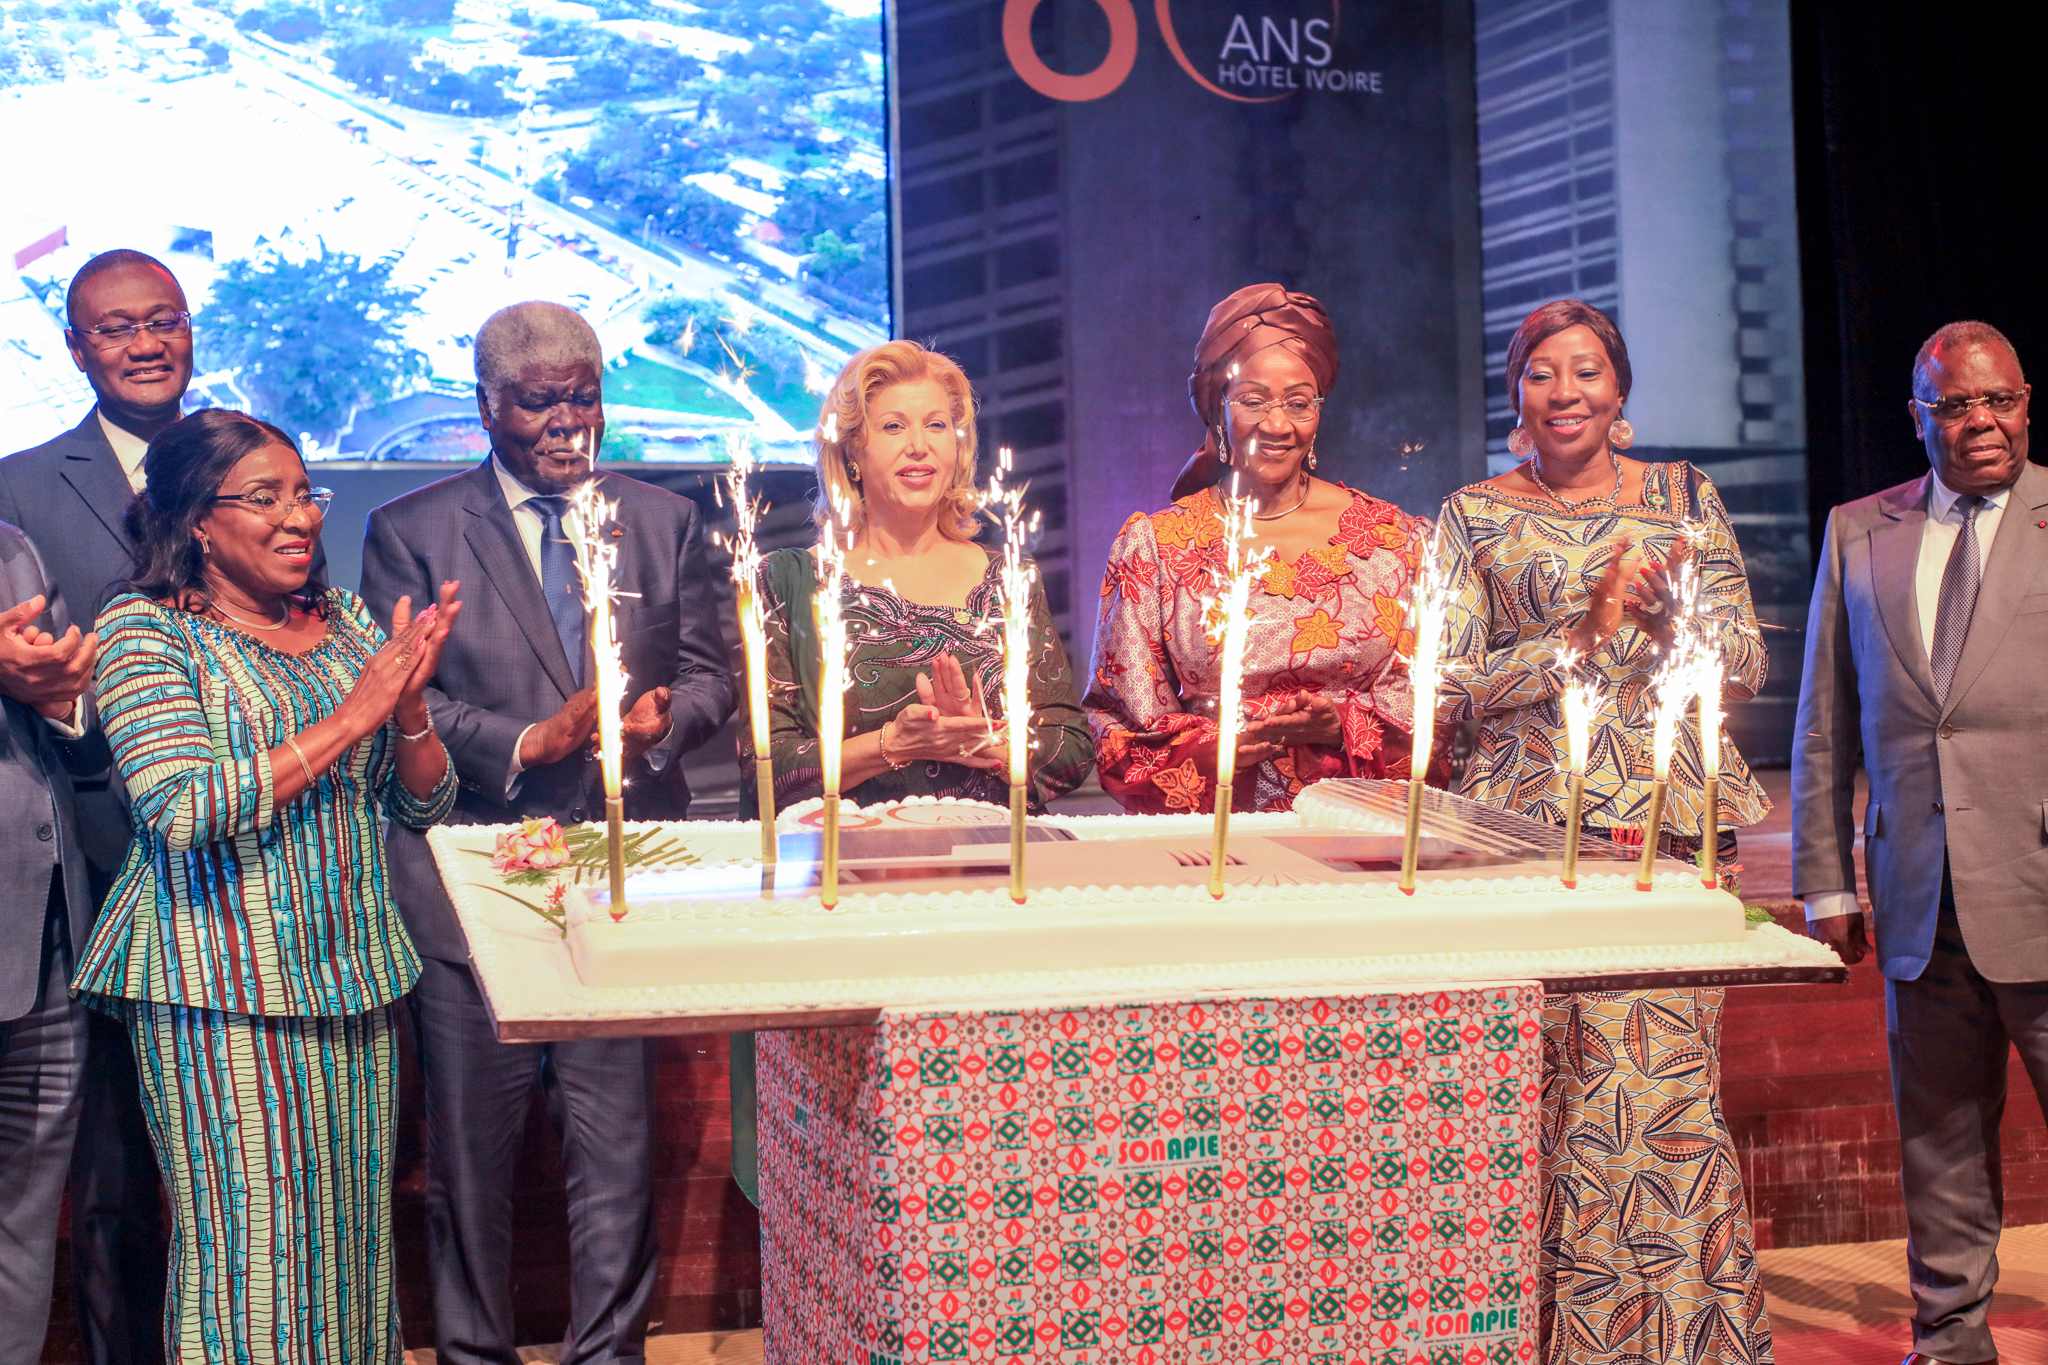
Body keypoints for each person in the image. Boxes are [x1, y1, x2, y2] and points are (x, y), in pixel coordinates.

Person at [360, 301, 733, 1365]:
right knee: (469, 1173)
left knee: (616, 1163)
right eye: (538, 403)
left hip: (619, 882)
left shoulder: (661, 519)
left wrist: (663, 723)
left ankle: (609, 1354)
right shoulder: (414, 531)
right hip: (471, 893)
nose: (568, 422)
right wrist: (533, 739)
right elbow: (399, 699)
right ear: (486, 405)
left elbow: (709, 674)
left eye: (585, 398)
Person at [70, 408, 460, 1363]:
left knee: (352, 1256)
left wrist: (408, 708)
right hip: (218, 989)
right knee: (253, 1261)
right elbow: (181, 805)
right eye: (264, 497)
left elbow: (422, 799)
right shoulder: (144, 629)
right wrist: (355, 713)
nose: (299, 516)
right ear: (198, 521)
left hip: (353, 975)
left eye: (303, 493)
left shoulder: (346, 622)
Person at [1434, 300, 1774, 1363]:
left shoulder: (1683, 498)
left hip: (1666, 840)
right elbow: (1445, 687)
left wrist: (1674, 620)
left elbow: (1745, 663)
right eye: (1542, 372)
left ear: (1618, 389)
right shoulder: (1472, 515)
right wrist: (1579, 635)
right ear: (1515, 393)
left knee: (1665, 1108)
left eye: (1586, 370)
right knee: (1550, 1109)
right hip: (1526, 848)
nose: (1565, 391)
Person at [1792, 320, 2042, 1365]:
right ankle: (1949, 1339)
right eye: (1955, 404)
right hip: (1915, 892)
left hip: (2041, 883)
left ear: (2025, 404)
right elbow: (1823, 723)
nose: (1980, 421)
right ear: (1917, 415)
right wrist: (1824, 882)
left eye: (1999, 400)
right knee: (1937, 1139)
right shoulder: (1860, 529)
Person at [0, 247, 197, 1365]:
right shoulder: (21, 485)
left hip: (248, 866)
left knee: (230, 1164)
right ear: (77, 351)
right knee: (116, 1171)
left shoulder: (248, 461)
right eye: (117, 328)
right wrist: (55, 696)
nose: (145, 343)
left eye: (163, 319)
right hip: (100, 865)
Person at [1085, 284, 1426, 814]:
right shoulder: (1157, 547)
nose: (1277, 425)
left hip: (1364, 830)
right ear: (1217, 408)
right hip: (1216, 834)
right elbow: (1118, 726)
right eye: (1253, 400)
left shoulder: (1394, 541)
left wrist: (1340, 724)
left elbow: (1437, 706)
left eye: (1298, 403)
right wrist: (1215, 748)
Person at [740, 337, 1092, 814]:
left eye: (936, 425)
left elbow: (1070, 748)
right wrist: (893, 743)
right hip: (848, 855)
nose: (919, 447)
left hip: (992, 851)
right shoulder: (788, 581)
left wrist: (980, 740)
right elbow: (766, 767)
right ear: (852, 452)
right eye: (893, 426)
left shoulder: (1010, 578)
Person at [0, 524, 106, 1365]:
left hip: (44, 943)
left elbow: (79, 717)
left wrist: (62, 695)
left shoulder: (14, 549)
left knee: (23, 1225)